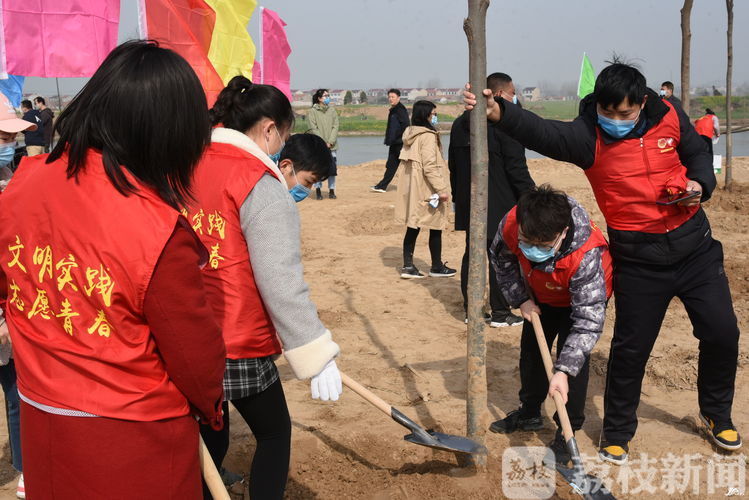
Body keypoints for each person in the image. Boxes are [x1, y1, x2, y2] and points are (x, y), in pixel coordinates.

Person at [465, 62, 741, 465]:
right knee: (630, 349)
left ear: (642, 103)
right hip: (638, 259)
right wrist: (501, 114)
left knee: (722, 333)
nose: (613, 120)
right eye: (606, 112)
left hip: (695, 248)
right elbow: (546, 133)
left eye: (624, 113)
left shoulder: (669, 115)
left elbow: (697, 153)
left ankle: (716, 413)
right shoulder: (587, 136)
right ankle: (617, 431)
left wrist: (700, 185)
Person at [0, 41, 227, 499]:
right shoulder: (157, 226)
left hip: (42, 418)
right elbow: (193, 354)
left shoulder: (21, 186)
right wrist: (210, 407)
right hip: (133, 440)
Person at [191, 76, 342, 500]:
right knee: (274, 433)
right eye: (285, 135)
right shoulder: (258, 181)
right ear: (270, 128)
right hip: (235, 334)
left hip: (185, 331)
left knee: (211, 430)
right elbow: (280, 279)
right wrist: (314, 350)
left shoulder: (185, 161)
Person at [488, 185, 613, 465]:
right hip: (537, 296)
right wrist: (520, 300)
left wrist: (564, 370)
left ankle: (566, 431)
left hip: (579, 302)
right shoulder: (513, 222)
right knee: (531, 353)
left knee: (571, 369)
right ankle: (529, 412)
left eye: (542, 246)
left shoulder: (586, 255)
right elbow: (501, 260)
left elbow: (587, 323)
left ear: (563, 234)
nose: (532, 251)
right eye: (526, 242)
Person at [449, 72, 533, 327]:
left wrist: (458, 198)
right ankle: (499, 312)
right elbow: (516, 169)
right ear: (497, 95)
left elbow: (452, 166)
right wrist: (531, 199)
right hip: (499, 202)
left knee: (472, 253)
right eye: (511, 93)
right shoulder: (504, 125)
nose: (514, 98)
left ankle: (471, 310)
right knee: (501, 256)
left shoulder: (458, 124)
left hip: (468, 201)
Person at [0, 92, 37, 499]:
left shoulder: (14, 181)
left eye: (11, 137)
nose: (10, 144)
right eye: (2, 137)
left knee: (17, 395)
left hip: (11, 317)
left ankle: (27, 469)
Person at [395, 100, 455, 279]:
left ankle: (408, 265)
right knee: (435, 225)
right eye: (433, 113)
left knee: (413, 225)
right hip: (428, 188)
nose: (435, 116)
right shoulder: (427, 136)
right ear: (426, 115)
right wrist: (442, 189)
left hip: (415, 187)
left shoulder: (411, 134)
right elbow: (430, 166)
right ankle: (436, 266)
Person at [371, 89, 410, 193]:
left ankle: (383, 186)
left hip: (400, 143)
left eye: (393, 97)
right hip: (394, 143)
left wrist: (402, 139)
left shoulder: (400, 110)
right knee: (391, 165)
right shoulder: (393, 110)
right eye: (389, 97)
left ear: (398, 98)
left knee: (405, 165)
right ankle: (382, 186)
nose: (390, 99)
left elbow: (406, 125)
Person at [308, 89, 339, 199]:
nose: (327, 97)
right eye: (325, 96)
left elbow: (335, 126)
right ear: (319, 98)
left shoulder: (332, 110)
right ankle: (318, 190)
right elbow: (313, 128)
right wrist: (322, 142)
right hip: (318, 145)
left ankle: (331, 190)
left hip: (332, 145)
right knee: (318, 168)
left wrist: (330, 141)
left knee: (332, 168)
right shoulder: (313, 111)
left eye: (328, 95)